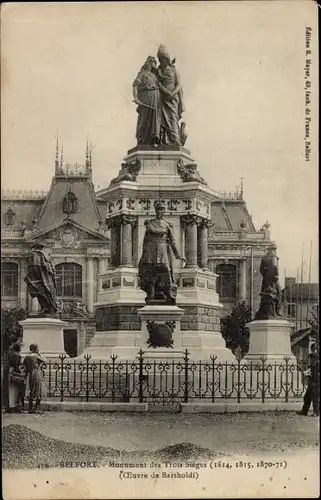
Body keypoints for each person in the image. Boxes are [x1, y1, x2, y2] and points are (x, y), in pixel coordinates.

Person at [138, 200, 185, 304]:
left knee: (166, 271)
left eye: (162, 209)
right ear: (155, 210)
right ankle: (151, 294)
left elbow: (172, 241)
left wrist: (178, 255)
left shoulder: (167, 225)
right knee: (151, 273)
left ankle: (168, 294)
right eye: (159, 209)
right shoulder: (150, 223)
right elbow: (152, 231)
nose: (160, 211)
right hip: (151, 251)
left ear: (164, 211)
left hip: (163, 250)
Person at [157, 45, 185, 146]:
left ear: (167, 59)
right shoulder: (158, 71)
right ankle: (162, 140)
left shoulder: (173, 71)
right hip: (162, 98)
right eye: (160, 59)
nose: (161, 61)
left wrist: (172, 93)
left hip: (172, 99)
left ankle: (174, 139)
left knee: (173, 117)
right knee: (161, 120)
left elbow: (178, 84)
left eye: (163, 59)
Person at [133, 56, 161, 146]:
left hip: (156, 98)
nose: (154, 64)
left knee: (155, 118)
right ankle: (141, 139)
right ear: (148, 62)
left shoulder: (155, 76)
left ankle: (154, 138)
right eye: (153, 62)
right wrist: (136, 98)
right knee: (144, 118)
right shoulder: (142, 74)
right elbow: (135, 86)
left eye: (155, 62)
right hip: (146, 98)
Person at [24, 242, 58, 316]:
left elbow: (32, 268)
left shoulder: (34, 255)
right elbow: (51, 270)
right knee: (44, 294)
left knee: (39, 293)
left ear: (35, 247)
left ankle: (45, 307)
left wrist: (29, 277)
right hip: (46, 281)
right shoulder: (46, 256)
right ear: (42, 247)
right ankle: (46, 308)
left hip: (38, 279)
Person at [297, 343, 319, 417]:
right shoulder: (314, 358)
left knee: (314, 397)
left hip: (314, 381)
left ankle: (315, 412)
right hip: (313, 380)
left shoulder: (314, 358)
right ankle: (305, 411)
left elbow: (314, 371)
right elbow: (310, 370)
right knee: (308, 397)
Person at [23, 344, 46, 414]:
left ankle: (30, 409)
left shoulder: (27, 357)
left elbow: (25, 367)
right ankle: (36, 408)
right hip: (36, 374)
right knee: (38, 390)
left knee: (31, 390)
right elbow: (45, 360)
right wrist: (39, 354)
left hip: (30, 375)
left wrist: (25, 376)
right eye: (37, 348)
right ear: (35, 349)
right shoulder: (37, 356)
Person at [7, 343, 24, 414]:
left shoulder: (10, 354)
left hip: (10, 371)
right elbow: (16, 365)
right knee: (16, 391)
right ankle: (15, 407)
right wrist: (20, 371)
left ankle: (12, 407)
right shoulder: (17, 355)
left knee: (12, 390)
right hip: (15, 373)